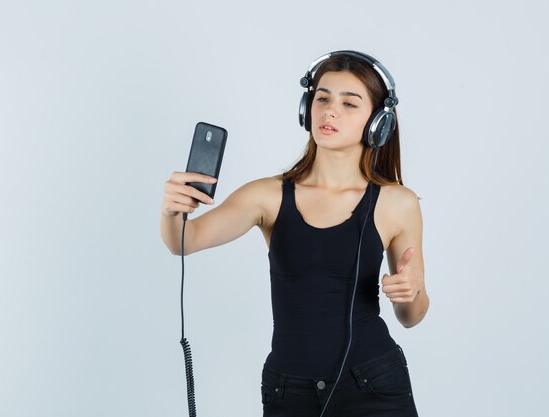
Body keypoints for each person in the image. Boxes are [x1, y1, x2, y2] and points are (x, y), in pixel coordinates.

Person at [160, 51, 429, 417]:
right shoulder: (267, 196)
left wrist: (409, 292)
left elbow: (411, 315)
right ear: (307, 107)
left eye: (349, 104)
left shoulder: (397, 203)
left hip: (373, 385)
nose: (330, 110)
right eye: (322, 97)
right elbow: (184, 241)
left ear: (377, 123)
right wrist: (171, 210)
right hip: (288, 391)